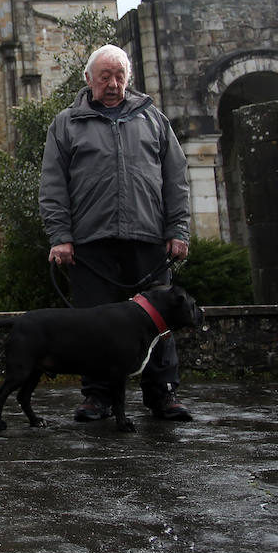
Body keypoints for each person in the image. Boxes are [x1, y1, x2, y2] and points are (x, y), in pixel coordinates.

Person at [38, 43, 193, 423]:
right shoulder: (67, 123)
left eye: (119, 76)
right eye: (105, 76)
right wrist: (60, 237)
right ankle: (98, 397)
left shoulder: (154, 120)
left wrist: (178, 230)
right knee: (94, 325)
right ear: (88, 79)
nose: (113, 83)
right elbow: (53, 185)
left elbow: (176, 179)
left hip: (148, 240)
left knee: (159, 325)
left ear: (129, 79)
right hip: (90, 244)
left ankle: (163, 394)